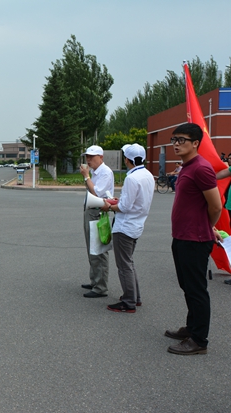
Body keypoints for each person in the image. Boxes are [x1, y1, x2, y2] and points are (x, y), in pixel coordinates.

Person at [164, 123, 222, 355]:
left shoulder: (201, 168)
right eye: (174, 139)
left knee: (197, 290)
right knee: (187, 286)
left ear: (196, 143)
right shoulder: (186, 167)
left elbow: (215, 206)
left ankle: (199, 340)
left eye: (182, 140)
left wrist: (208, 227)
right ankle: (191, 328)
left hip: (195, 240)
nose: (176, 144)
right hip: (182, 236)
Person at [100, 144, 153, 313]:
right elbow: (132, 202)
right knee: (128, 262)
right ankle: (134, 297)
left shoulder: (131, 178)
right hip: (137, 223)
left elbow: (124, 207)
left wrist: (108, 206)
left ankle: (129, 301)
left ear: (127, 160)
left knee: (124, 265)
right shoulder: (147, 175)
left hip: (125, 226)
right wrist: (119, 202)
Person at [79, 145, 114, 298]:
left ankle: (101, 287)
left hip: (98, 211)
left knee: (99, 250)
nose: (88, 160)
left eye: (92, 157)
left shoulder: (105, 172)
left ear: (101, 157)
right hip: (91, 210)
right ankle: (95, 280)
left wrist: (86, 177)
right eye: (87, 156)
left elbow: (97, 192)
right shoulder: (95, 171)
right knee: (91, 248)